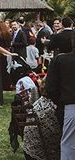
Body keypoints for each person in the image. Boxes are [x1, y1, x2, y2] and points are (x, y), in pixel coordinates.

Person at [45, 29, 75, 160]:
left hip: (70, 106)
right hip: (68, 105)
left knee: (68, 144)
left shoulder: (60, 60)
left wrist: (60, 101)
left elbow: (51, 88)